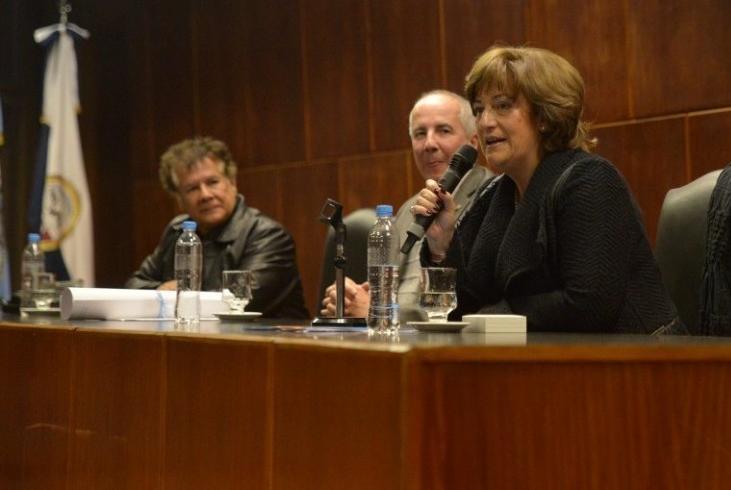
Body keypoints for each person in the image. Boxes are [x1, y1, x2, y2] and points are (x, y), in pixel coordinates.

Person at [413, 46, 686, 334]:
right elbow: (460, 311)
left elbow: (589, 306)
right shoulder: (495, 195)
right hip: (545, 363)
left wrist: (499, 315)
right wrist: (442, 247)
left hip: (637, 366)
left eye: (502, 105)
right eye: (479, 110)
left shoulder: (589, 180)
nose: (485, 122)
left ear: (544, 116)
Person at [318, 90, 493, 320]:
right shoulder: (410, 207)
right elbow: (388, 295)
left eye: (443, 130)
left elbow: (466, 305)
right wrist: (355, 298)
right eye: (420, 133)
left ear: (472, 143)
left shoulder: (490, 196)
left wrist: (378, 311)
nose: (429, 143)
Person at [125, 136, 309, 319]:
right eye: (192, 188)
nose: (205, 195)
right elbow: (133, 285)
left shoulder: (268, 235)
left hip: (265, 343)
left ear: (232, 182)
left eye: (212, 182)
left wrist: (180, 294)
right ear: (179, 199)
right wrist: (161, 289)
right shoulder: (177, 232)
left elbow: (238, 302)